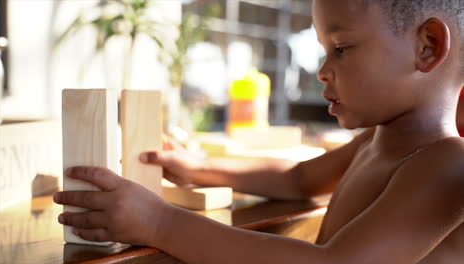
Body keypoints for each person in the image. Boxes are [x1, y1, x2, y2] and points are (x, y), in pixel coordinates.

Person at [53, 0, 464, 263]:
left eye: (341, 48)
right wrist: (199, 168)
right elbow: (298, 178)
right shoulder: (373, 143)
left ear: (427, 46)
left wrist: (158, 222)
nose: (323, 70)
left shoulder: (447, 164)